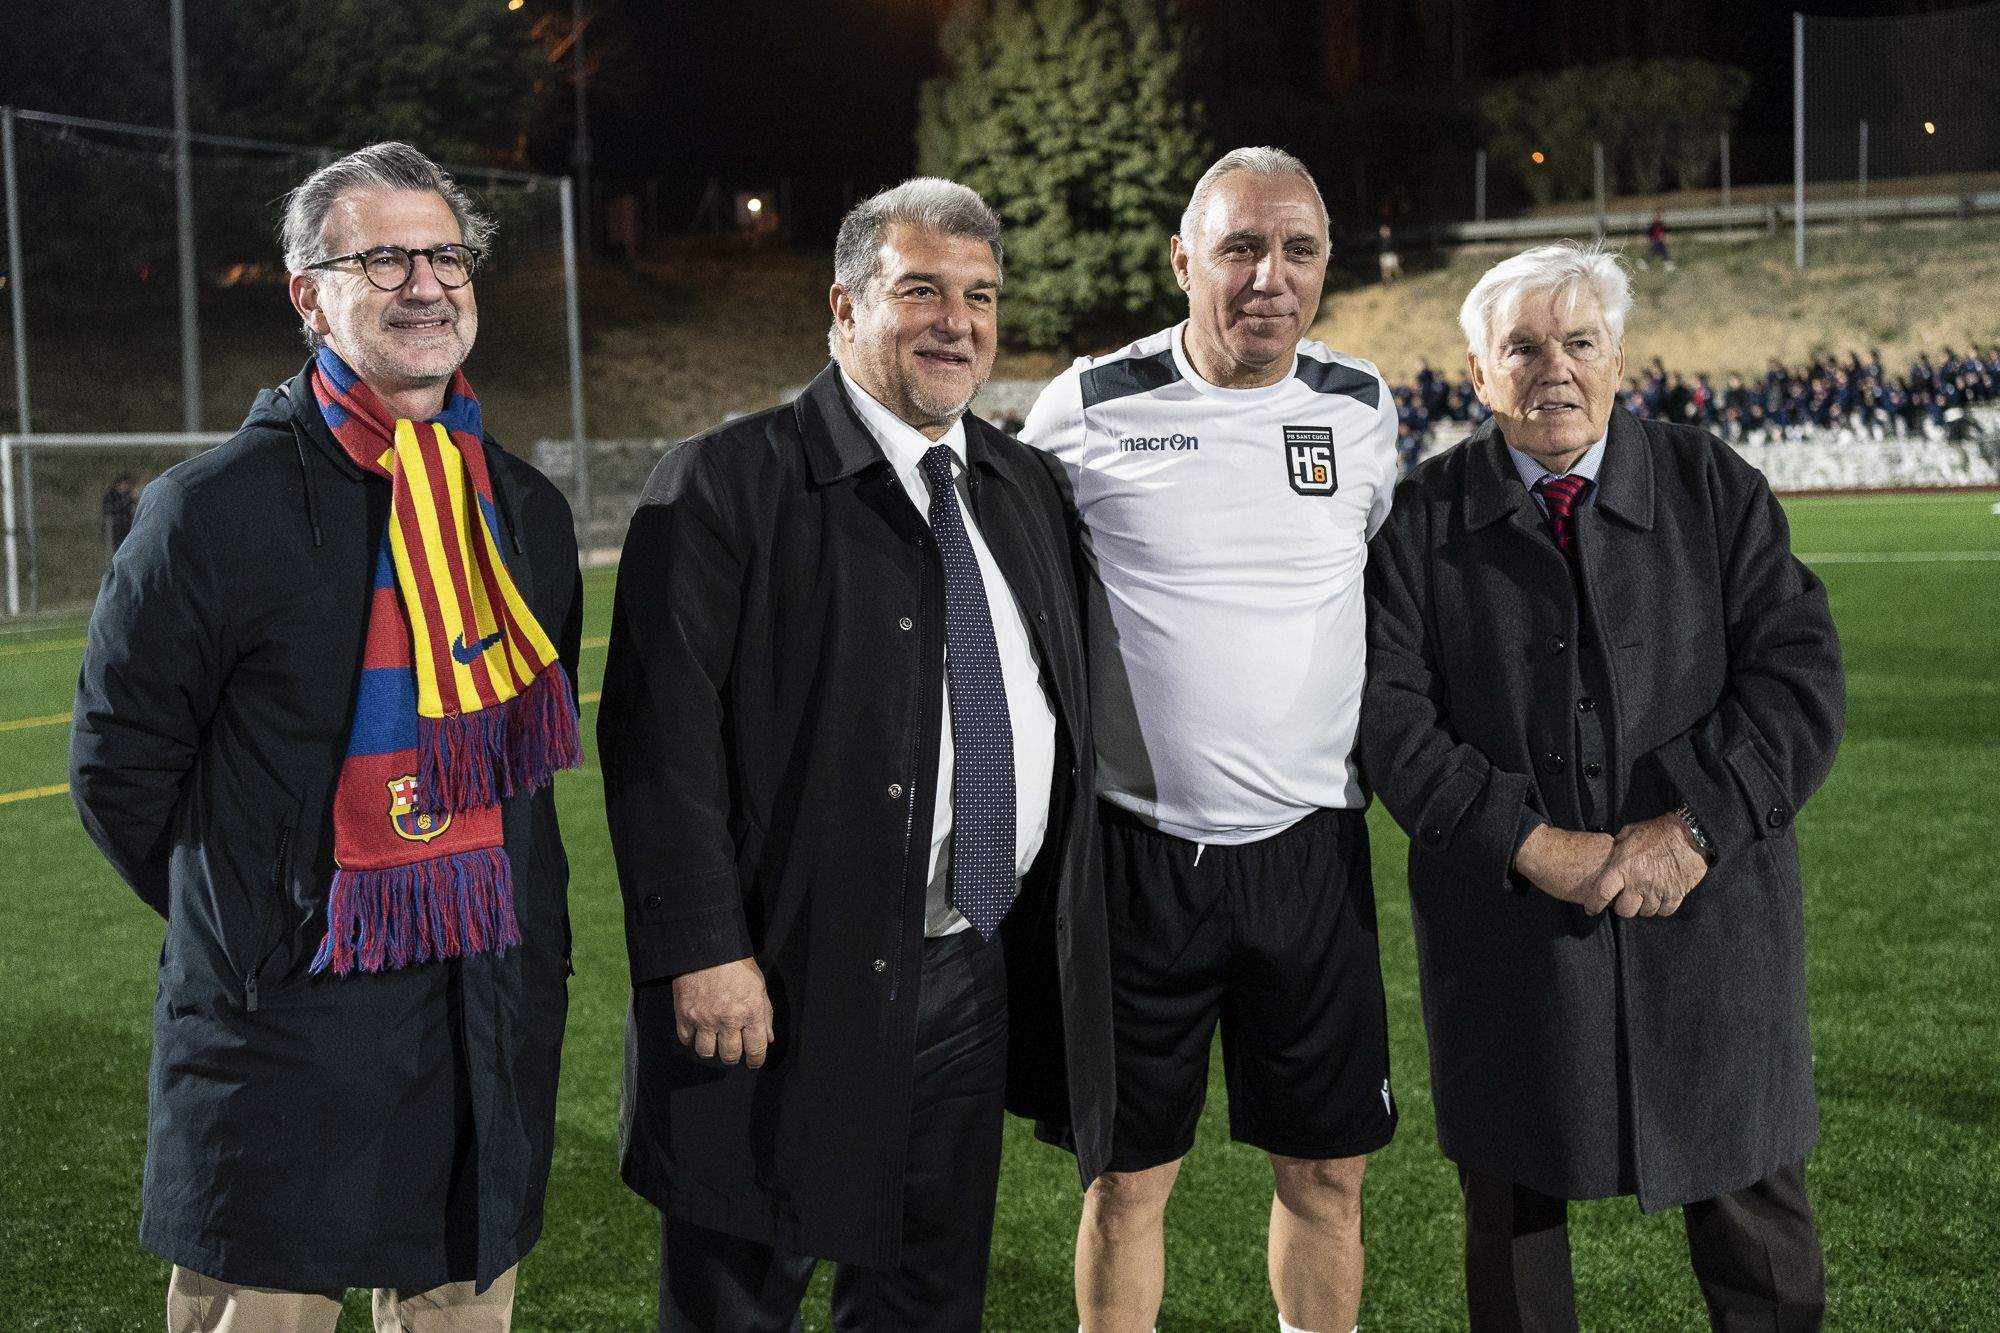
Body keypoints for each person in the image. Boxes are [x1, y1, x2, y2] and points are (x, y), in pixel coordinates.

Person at [69, 142, 583, 1332]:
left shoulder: (525, 512)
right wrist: (264, 908)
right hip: (283, 1015)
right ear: (310, 294)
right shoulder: (207, 511)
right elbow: (119, 772)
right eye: (385, 257)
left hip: (481, 1004)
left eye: (446, 254)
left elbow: (522, 771)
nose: (427, 283)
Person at [599, 177, 1113, 1332]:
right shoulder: (725, 482)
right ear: (842, 308)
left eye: (979, 295)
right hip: (780, 973)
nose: (957, 321)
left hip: (966, 963)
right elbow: (656, 741)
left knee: (928, 1296)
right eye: (920, 289)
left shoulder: (1020, 483)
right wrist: (702, 951)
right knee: (741, 1294)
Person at [1361, 241, 1844, 1331]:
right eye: (1520, 348)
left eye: (1578, 342)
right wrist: (1532, 843)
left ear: (1617, 356)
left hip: (1709, 920)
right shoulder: (1421, 521)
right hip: (1509, 934)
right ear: (1476, 373)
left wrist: (1695, 829)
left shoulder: (1709, 482)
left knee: (1754, 1223)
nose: (1553, 370)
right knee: (1514, 1235)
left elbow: (1797, 678)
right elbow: (1390, 721)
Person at [1022, 146, 1399, 1333]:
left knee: (1328, 1172)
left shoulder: (1360, 404)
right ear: (1183, 260)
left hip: (1311, 857)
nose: (1267, 278)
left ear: (1325, 265)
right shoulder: (1085, 406)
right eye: (1239, 247)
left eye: (1296, 250)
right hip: (1142, 861)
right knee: (1128, 1184)